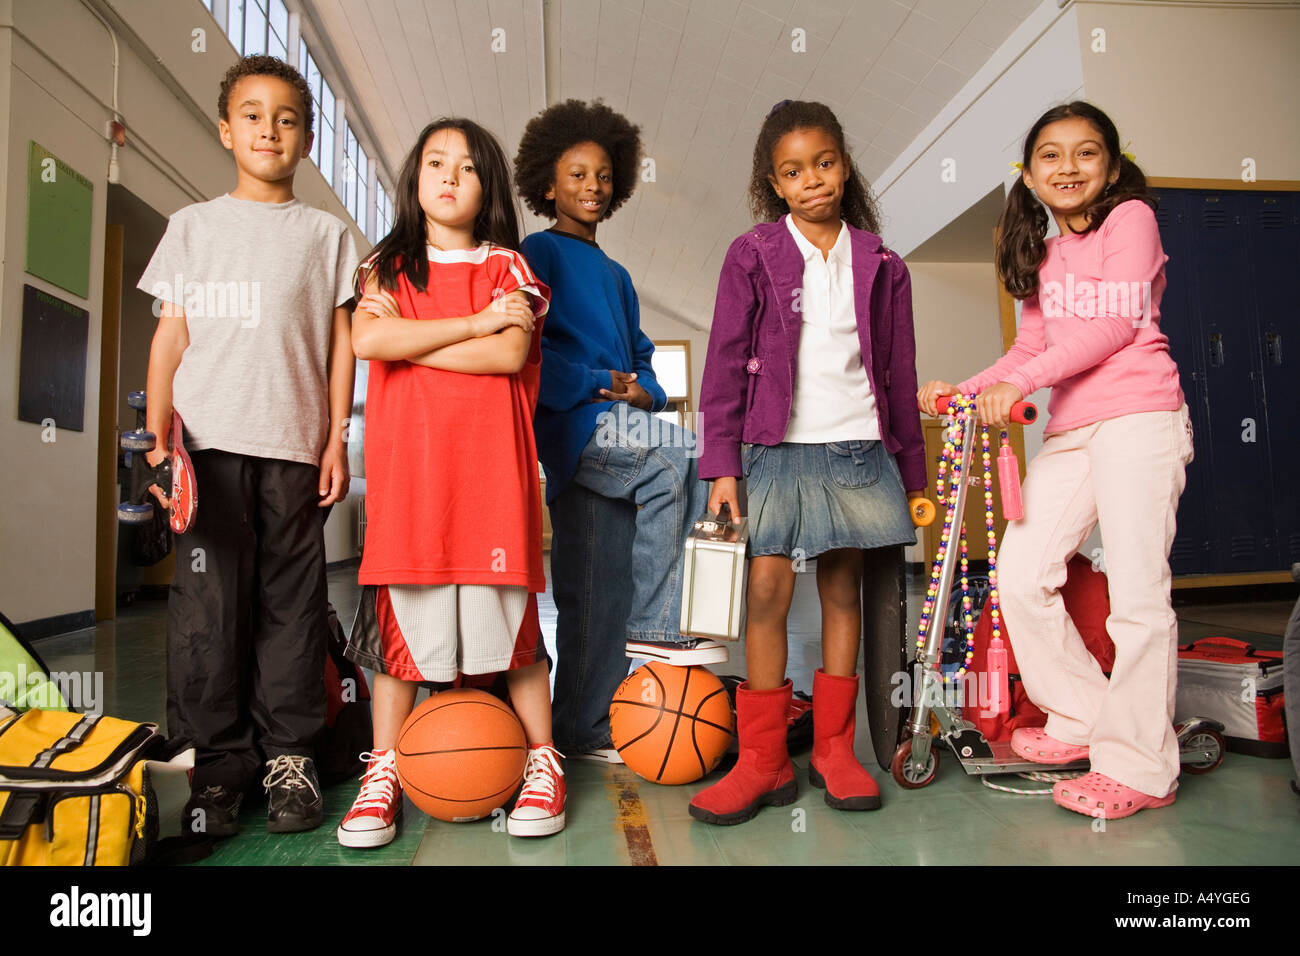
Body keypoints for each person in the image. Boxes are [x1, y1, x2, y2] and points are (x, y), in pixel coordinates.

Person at [918, 101, 1191, 819]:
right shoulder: (1042, 247)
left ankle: (1140, 766)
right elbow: (1029, 351)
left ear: (1111, 164)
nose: (1067, 167)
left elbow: (1113, 323)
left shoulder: (1130, 220)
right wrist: (964, 390)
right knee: (1019, 573)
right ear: (1030, 172)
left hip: (1139, 418)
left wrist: (1021, 385)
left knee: (1138, 598)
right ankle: (1082, 717)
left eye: (1085, 153)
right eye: (1051, 155)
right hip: (1073, 430)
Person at [137, 55, 360, 835]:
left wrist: (335, 439)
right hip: (206, 451)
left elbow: (341, 345)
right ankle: (216, 768)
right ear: (226, 129)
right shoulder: (192, 228)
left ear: (303, 139)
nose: (270, 128)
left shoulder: (328, 234)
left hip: (295, 452)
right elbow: (168, 342)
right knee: (208, 610)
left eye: (288, 118)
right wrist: (160, 446)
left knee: (292, 607)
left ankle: (289, 757)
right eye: (254, 114)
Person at [692, 100, 926, 825]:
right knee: (763, 588)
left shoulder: (884, 263)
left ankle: (833, 750)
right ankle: (763, 763)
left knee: (843, 589)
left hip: (856, 446)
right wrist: (721, 465)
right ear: (776, 183)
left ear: (844, 165)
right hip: (770, 449)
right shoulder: (752, 253)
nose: (813, 180)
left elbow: (899, 372)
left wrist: (914, 475)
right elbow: (725, 362)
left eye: (824, 163)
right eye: (794, 171)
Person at [337, 118, 563, 847]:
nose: (449, 175)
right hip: (413, 487)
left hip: (492, 483)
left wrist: (419, 341)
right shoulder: (386, 265)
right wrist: (471, 324)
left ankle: (542, 760)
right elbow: (370, 340)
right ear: (414, 179)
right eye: (435, 162)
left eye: (466, 167)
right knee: (401, 639)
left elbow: (509, 356)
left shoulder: (510, 268)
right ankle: (385, 771)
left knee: (516, 635)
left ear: (487, 186)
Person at [513, 100, 725, 762]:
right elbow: (530, 355)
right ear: (548, 185)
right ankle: (663, 626)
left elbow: (645, 367)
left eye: (603, 176)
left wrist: (646, 389)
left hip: (621, 430)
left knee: (596, 599)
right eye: (577, 175)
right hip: (578, 434)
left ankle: (581, 728)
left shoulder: (619, 277)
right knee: (677, 457)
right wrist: (603, 383)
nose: (592, 188)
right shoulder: (537, 251)